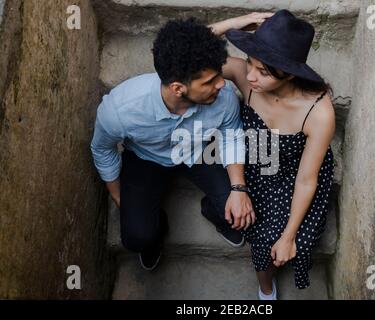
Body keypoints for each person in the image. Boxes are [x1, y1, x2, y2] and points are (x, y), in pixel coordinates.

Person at [90, 18, 255, 272]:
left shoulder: (223, 98)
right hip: (146, 158)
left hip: (200, 151)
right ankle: (156, 228)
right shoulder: (120, 110)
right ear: (178, 88)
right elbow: (102, 149)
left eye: (219, 75)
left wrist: (238, 189)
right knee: (137, 237)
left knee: (241, 213)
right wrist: (118, 195)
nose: (221, 84)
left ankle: (214, 211)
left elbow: (232, 135)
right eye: (210, 81)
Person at [209, 10, 335, 299]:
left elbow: (306, 180)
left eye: (263, 71)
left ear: (289, 73)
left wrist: (289, 236)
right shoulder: (244, 74)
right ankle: (264, 282)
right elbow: (186, 51)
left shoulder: (318, 110)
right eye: (251, 63)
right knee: (241, 217)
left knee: (286, 239)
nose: (250, 75)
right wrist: (232, 24)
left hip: (295, 172)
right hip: (254, 161)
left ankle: (266, 288)